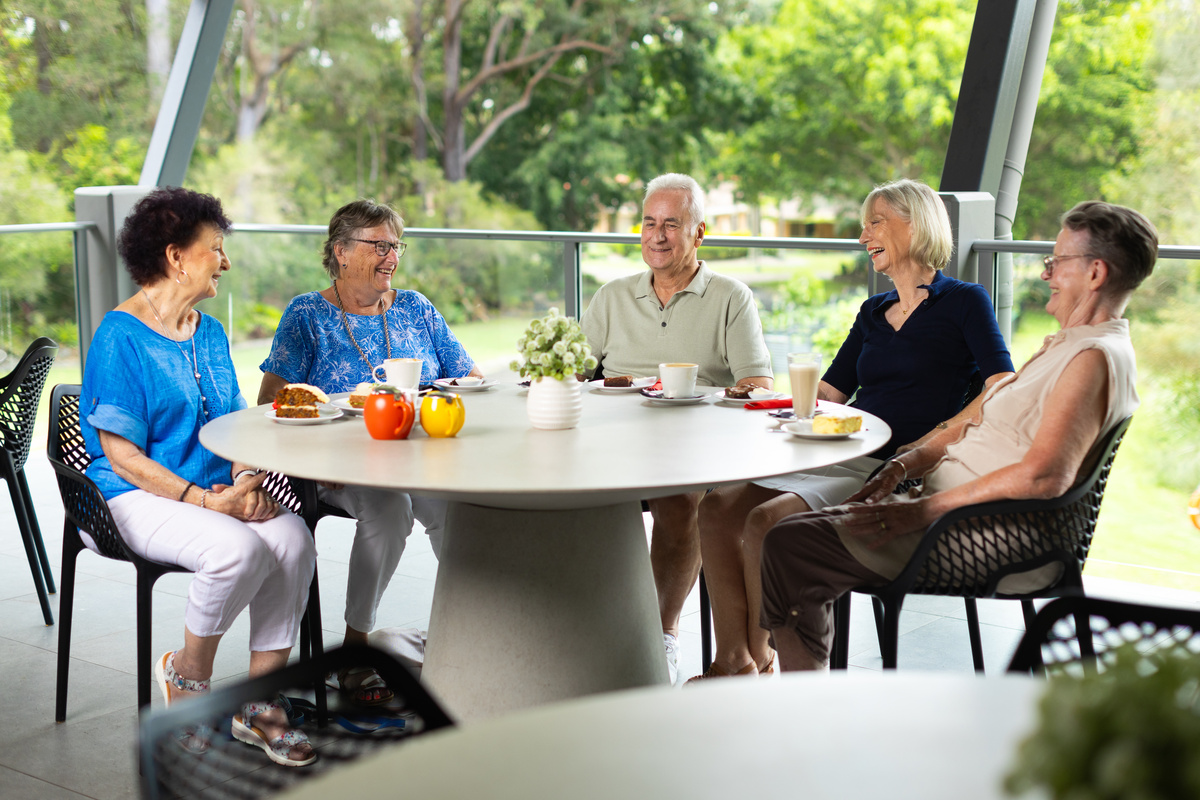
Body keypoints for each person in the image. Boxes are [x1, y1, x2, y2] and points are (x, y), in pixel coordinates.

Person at [759, 200, 1157, 670]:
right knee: (788, 532)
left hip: (987, 535)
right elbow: (977, 419)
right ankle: (799, 694)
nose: (1047, 273)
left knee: (791, 544)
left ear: (1095, 274)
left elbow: (1044, 476)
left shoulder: (1092, 358)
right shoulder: (1068, 346)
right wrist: (903, 466)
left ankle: (802, 711)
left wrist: (920, 512)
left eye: (1057, 262)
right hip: (954, 515)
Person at [689, 179, 1014, 681]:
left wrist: (942, 433)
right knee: (716, 507)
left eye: (876, 222)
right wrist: (757, 403)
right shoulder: (872, 311)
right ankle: (735, 660)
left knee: (764, 521)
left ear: (915, 224)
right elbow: (829, 396)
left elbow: (1002, 384)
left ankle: (765, 658)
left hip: (893, 464)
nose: (864, 235)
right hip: (836, 447)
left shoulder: (965, 302)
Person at [82, 187, 317, 766]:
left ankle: (260, 705)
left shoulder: (207, 332)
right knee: (238, 550)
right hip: (132, 494)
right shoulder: (120, 336)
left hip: (213, 489)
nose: (226, 260)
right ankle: (188, 679)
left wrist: (246, 481)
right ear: (176, 257)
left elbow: (234, 422)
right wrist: (209, 505)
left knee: (292, 540)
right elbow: (122, 457)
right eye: (216, 248)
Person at [258, 199, 481, 705]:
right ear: (340, 251)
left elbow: (468, 378)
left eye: (395, 245)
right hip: (339, 467)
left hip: (420, 456)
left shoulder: (416, 307)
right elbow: (272, 402)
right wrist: (316, 455)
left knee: (459, 513)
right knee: (389, 508)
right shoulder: (307, 314)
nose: (391, 257)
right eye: (378, 245)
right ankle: (356, 650)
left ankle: (470, 631)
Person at [581, 173, 774, 682]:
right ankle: (578, 631)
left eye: (672, 224)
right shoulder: (612, 297)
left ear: (699, 233)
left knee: (678, 497)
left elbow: (756, 383)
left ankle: (658, 635)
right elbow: (571, 373)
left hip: (694, 441)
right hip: (613, 438)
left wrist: (706, 397)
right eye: (649, 223)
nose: (657, 235)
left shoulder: (731, 296)